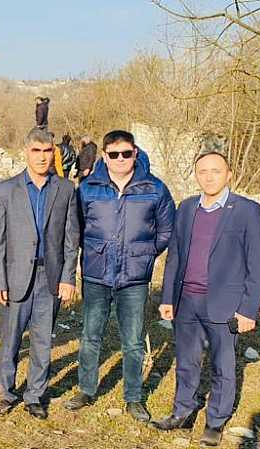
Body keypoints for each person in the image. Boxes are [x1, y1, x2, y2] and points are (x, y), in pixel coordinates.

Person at [154, 152, 260, 445]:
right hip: (187, 300)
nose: (209, 177)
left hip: (224, 303)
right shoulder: (187, 207)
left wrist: (248, 309)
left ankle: (215, 421)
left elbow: (257, 262)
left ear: (228, 174)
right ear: (196, 175)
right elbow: (175, 255)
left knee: (222, 364)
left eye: (216, 171)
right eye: (202, 171)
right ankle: (182, 411)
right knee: (186, 361)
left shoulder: (247, 211)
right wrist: (168, 297)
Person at [63, 129, 175, 423]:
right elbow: (77, 228)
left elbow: (167, 229)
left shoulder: (155, 188)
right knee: (91, 336)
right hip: (96, 275)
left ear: (135, 153)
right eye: (114, 154)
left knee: (133, 340)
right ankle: (86, 389)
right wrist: (92, 252)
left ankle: (134, 397)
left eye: (126, 153)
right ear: (104, 156)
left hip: (134, 278)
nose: (121, 159)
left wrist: (146, 252)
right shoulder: (88, 188)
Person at [0, 128, 80, 419]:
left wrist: (68, 277)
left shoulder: (65, 189)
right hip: (15, 276)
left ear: (54, 153)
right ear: (25, 152)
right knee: (10, 339)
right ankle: (6, 393)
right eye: (36, 151)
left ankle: (35, 395)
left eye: (47, 151)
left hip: (49, 277)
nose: (42, 157)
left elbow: (71, 238)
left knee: (42, 340)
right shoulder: (4, 190)